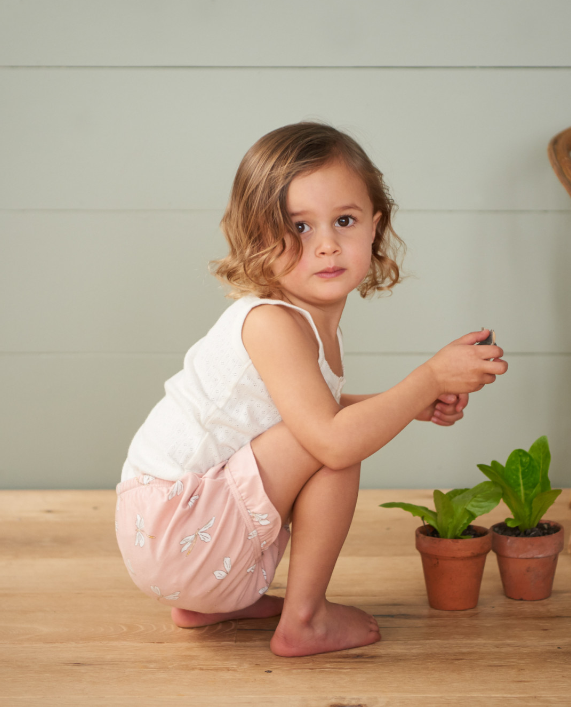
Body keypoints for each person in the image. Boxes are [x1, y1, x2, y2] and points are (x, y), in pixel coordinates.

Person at [114, 122, 507, 657]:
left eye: (344, 220)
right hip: (180, 525)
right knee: (339, 448)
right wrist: (430, 378)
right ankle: (305, 619)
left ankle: (210, 603)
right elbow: (330, 439)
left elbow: (295, 416)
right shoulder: (272, 322)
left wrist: (408, 404)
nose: (325, 245)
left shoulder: (305, 321)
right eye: (298, 227)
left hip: (174, 540)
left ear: (375, 225)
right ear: (256, 237)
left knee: (331, 430)